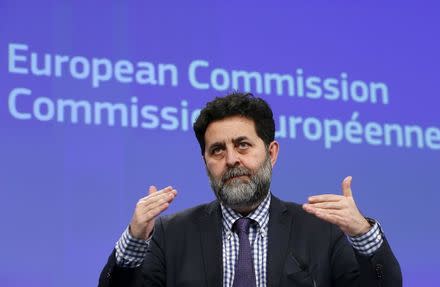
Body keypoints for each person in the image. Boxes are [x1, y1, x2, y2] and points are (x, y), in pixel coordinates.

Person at [99, 92, 402, 287]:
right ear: (205, 162)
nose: (231, 160)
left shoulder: (321, 230)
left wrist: (363, 233)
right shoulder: (171, 234)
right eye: (217, 150)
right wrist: (135, 240)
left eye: (242, 145)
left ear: (271, 153)